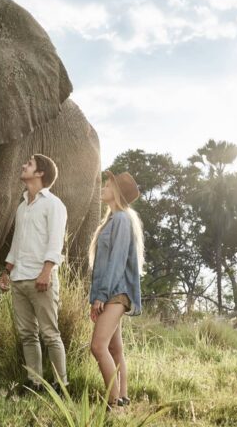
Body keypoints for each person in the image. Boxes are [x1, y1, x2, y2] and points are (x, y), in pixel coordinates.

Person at [0, 154, 68, 393]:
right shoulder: (21, 206)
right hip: (19, 278)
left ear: (40, 173)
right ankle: (35, 382)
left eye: (29, 164)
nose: (23, 166)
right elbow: (16, 242)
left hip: (42, 279)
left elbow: (55, 241)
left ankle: (61, 384)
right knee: (27, 334)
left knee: (50, 333)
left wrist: (46, 272)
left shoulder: (54, 204)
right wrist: (7, 271)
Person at [88, 170, 143, 410]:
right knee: (114, 348)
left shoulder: (121, 219)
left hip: (115, 293)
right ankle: (123, 400)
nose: (103, 187)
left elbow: (117, 262)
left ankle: (113, 404)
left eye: (107, 185)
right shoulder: (112, 220)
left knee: (98, 346)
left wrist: (101, 295)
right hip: (113, 292)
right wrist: (96, 295)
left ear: (116, 192)